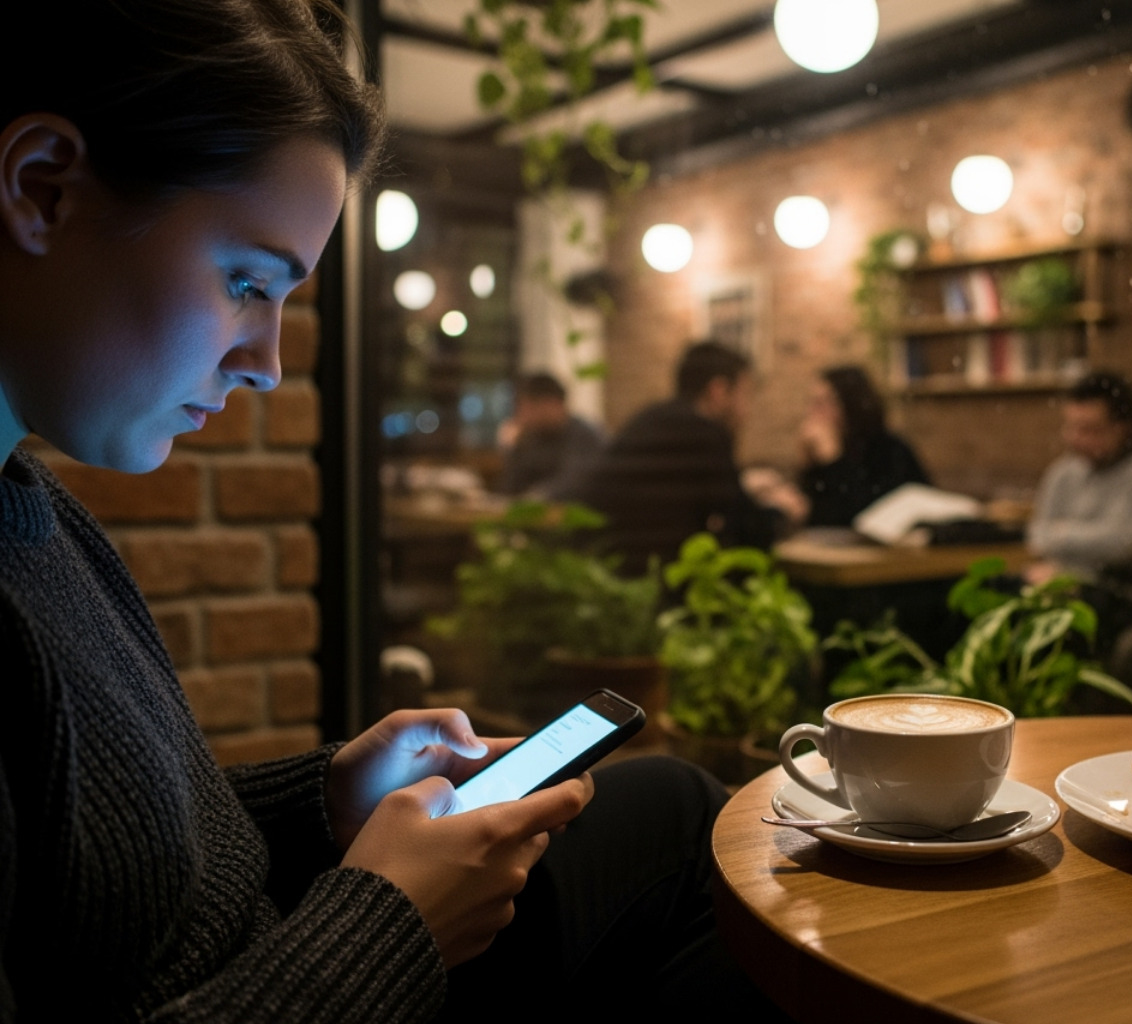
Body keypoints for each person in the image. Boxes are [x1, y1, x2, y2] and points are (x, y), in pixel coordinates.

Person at [0, 3, 781, 1021]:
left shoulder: (31, 504)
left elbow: (96, 865)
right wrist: (394, 918)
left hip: (289, 944)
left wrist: (328, 800)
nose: (269, 362)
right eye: (247, 281)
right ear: (41, 187)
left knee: (673, 807)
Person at [564, 340, 804, 573]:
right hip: (646, 582)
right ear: (718, 390)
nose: (746, 411)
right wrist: (783, 512)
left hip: (603, 567)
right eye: (745, 395)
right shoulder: (707, 434)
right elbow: (744, 528)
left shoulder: (652, 418)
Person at [1028, 371, 1132, 582]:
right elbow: (1037, 536)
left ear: (1124, 428)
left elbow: (1127, 546)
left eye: (1089, 430)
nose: (1075, 439)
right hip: (1063, 585)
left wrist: (1062, 534)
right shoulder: (1064, 472)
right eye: (1071, 428)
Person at [798, 364, 929, 527]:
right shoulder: (820, 452)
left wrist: (833, 461)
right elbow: (818, 519)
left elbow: (862, 516)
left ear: (850, 403)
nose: (813, 412)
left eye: (823, 402)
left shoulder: (888, 449)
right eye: (812, 402)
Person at [497, 372, 603, 498]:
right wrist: (511, 448)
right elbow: (511, 487)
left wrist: (535, 497)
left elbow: (574, 481)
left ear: (552, 404)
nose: (522, 415)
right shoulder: (532, 436)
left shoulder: (584, 435)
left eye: (528, 408)